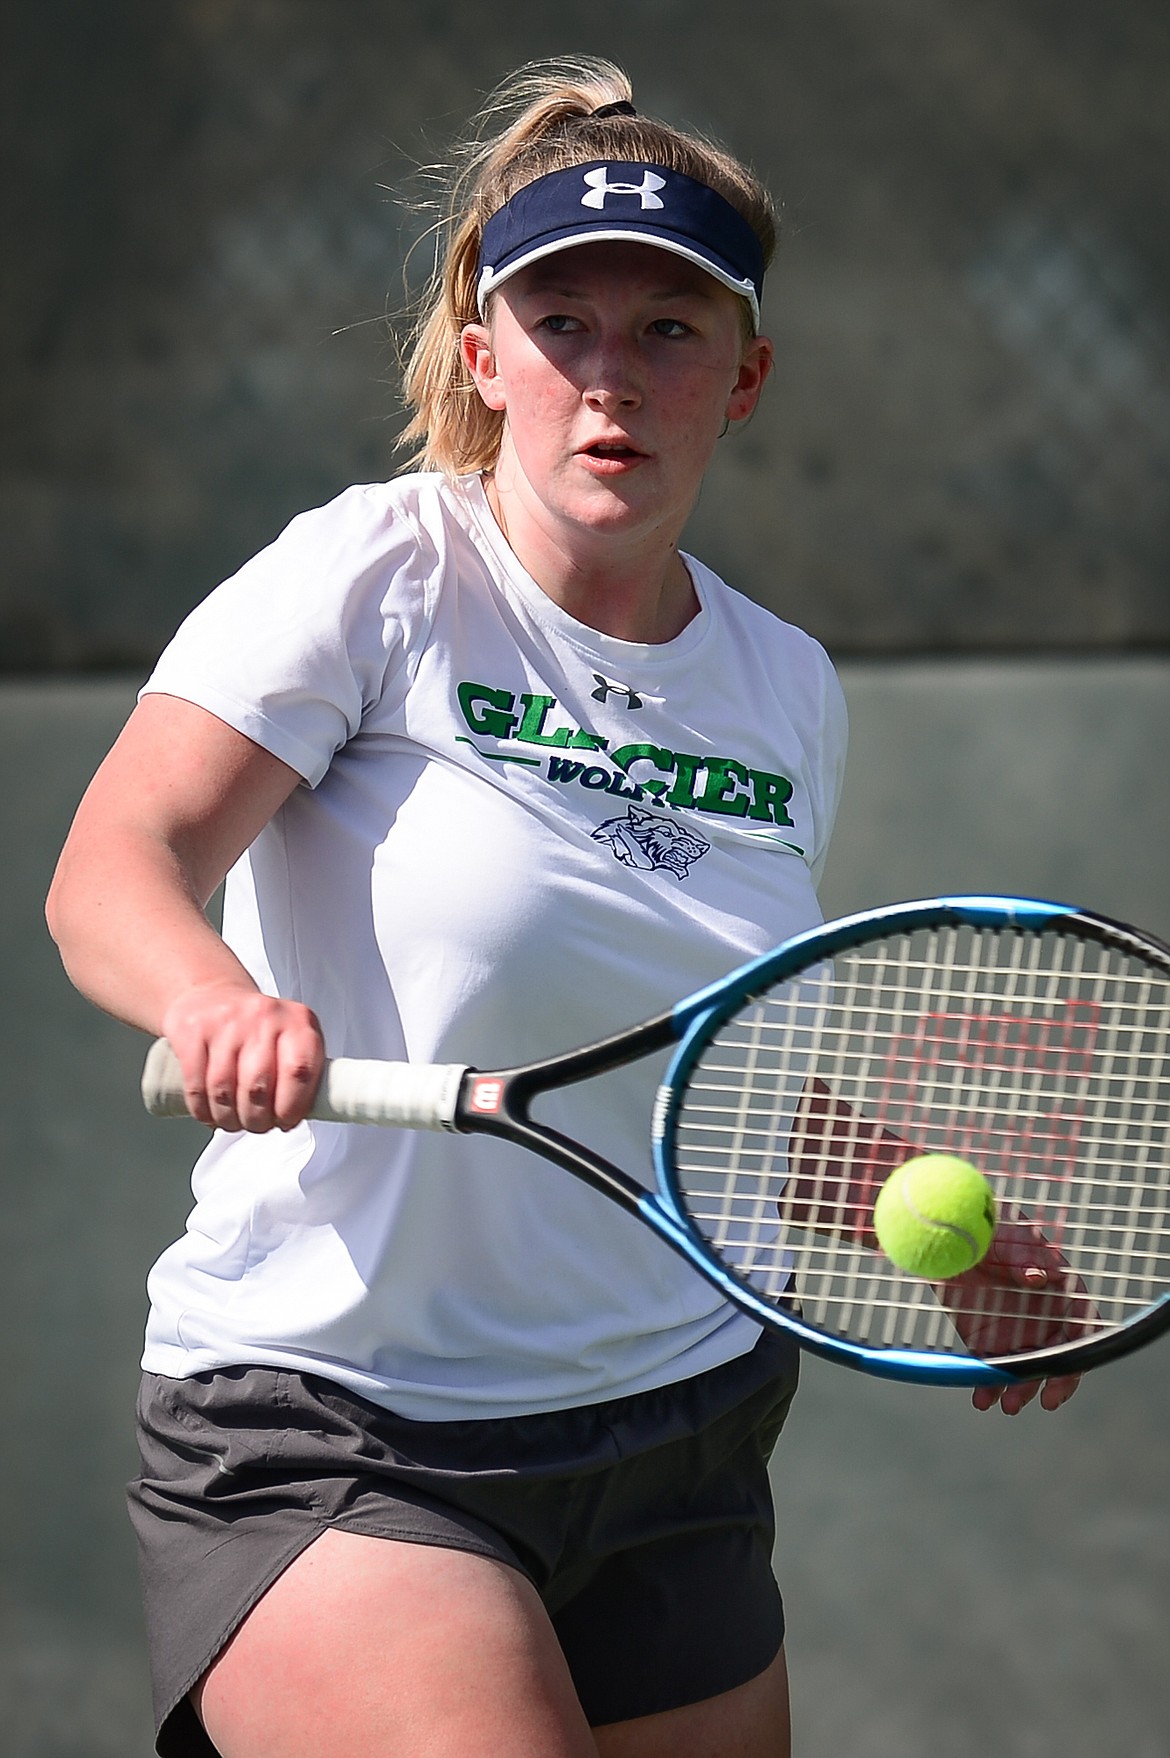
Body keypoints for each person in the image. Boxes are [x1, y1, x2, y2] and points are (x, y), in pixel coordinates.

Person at [47, 56, 1078, 1758]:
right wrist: (205, 1001)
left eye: (669, 332)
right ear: (484, 360)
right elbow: (111, 874)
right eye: (563, 324)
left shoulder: (783, 684)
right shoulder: (371, 576)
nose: (613, 379)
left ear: (742, 379)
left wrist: (920, 1213)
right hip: (341, 1424)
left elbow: (696, 1083)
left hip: (676, 1432)